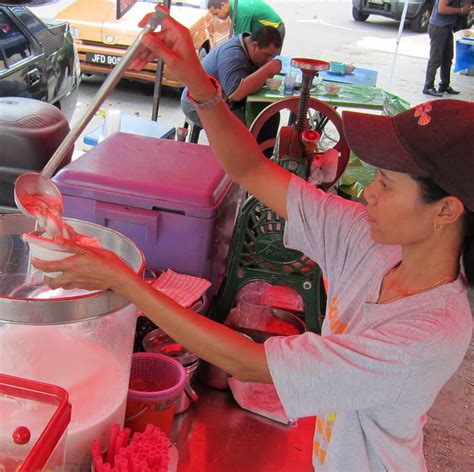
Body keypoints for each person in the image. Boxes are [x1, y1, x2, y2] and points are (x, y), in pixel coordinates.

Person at [33, 13, 474, 472]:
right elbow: (252, 170)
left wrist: (123, 281)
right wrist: (199, 83)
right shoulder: (371, 242)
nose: (368, 192)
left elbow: (249, 363)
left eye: (385, 182)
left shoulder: (428, 335)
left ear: (446, 210)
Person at [181, 25, 281, 129]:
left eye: (272, 57)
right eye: (266, 55)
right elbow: (235, 94)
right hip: (197, 104)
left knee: (268, 116)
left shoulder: (248, 47)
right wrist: (268, 70)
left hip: (224, 102)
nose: (269, 60)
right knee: (241, 132)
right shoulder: (234, 54)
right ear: (254, 46)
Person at [423, 0, 472, 97]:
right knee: (436, 58)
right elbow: (442, 9)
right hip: (439, 27)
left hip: (447, 27)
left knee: (448, 58)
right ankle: (428, 86)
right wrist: (461, 10)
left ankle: (444, 85)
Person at [208, 0, 285, 44]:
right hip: (263, 31)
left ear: (223, 5)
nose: (217, 17)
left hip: (275, 29)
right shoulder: (234, 6)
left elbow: (240, 40)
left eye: (216, 14)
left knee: (267, 62)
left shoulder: (240, 11)